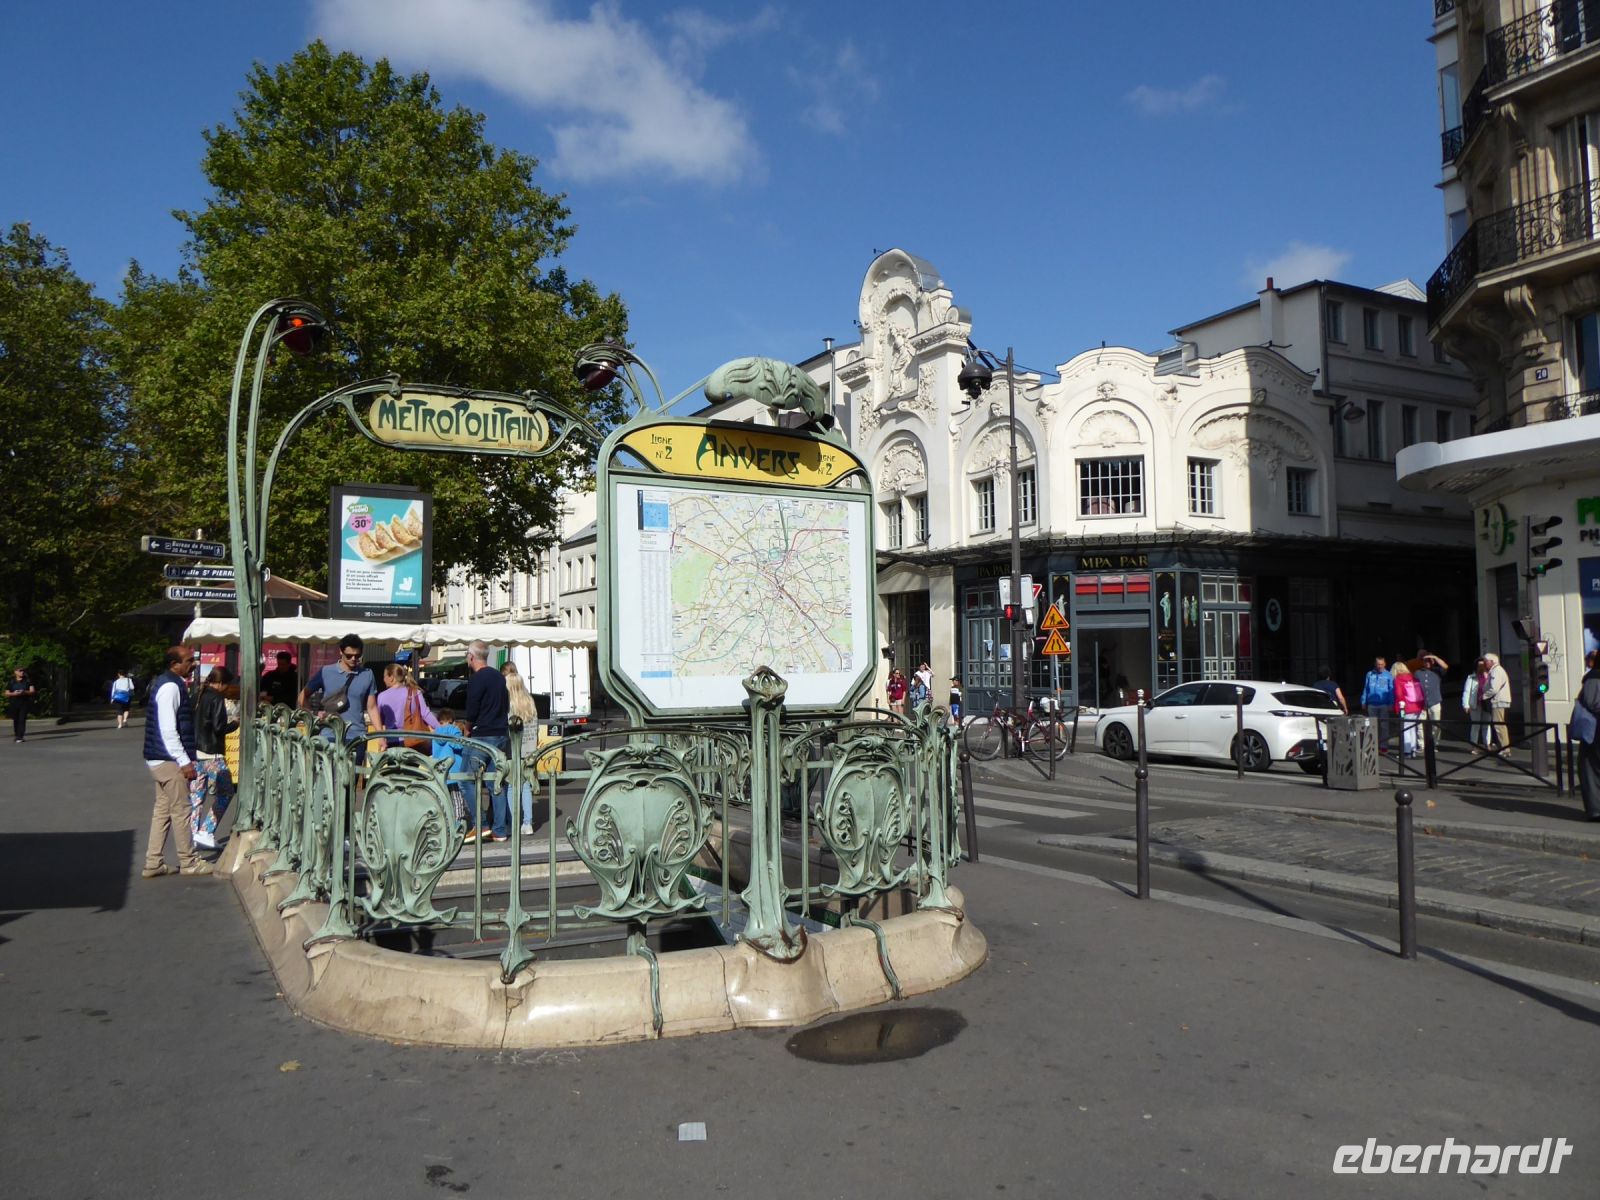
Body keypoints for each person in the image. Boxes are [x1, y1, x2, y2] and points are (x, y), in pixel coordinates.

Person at [142, 646, 211, 878]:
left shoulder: (167, 683)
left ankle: (154, 862)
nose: (193, 664)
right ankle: (188, 861)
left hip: (158, 757)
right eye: (189, 661)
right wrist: (184, 761)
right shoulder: (171, 687)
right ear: (175, 664)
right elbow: (168, 730)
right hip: (169, 759)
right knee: (181, 810)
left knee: (162, 811)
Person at [460, 640, 509, 843]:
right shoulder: (499, 677)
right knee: (495, 782)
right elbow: (505, 705)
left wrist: (467, 728)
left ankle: (480, 825)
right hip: (501, 733)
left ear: (471, 657)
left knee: (465, 779)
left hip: (482, 735)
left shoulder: (477, 679)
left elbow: (472, 710)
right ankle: (500, 830)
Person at [298, 635, 377, 753]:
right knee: (329, 766)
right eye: (349, 656)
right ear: (341, 651)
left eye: (357, 656)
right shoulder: (326, 671)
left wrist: (381, 735)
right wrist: (314, 714)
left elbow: (372, 707)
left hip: (356, 735)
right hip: (329, 734)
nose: (353, 659)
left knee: (355, 766)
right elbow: (302, 697)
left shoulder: (367, 674)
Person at [190, 665, 238, 850]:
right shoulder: (217, 698)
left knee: (196, 797)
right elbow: (219, 728)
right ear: (221, 683)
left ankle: (193, 835)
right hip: (212, 753)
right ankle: (206, 831)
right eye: (227, 685)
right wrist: (234, 724)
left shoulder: (197, 695)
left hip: (195, 753)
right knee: (226, 792)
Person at [502, 660, 539, 836]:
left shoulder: (509, 704)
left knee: (511, 786)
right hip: (529, 749)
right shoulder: (530, 701)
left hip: (513, 750)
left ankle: (514, 821)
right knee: (525, 786)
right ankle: (528, 823)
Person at [368, 662, 438, 750]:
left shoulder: (382, 696)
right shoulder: (415, 692)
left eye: (384, 676)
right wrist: (441, 728)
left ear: (391, 678)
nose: (383, 679)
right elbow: (426, 714)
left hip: (392, 742)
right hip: (413, 741)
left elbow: (379, 720)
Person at [1572, 650, 1600, 821]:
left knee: (1590, 768)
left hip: (1595, 731)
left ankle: (1596, 809)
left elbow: (1592, 702)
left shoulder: (1593, 677)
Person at [432, 707, 467, 827]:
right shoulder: (454, 730)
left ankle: (446, 822)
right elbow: (459, 745)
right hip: (454, 770)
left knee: (444, 798)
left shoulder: (436, 733)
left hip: (441, 770)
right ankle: (458, 822)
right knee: (457, 797)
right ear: (452, 721)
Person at [1480, 652, 1512, 755]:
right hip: (1499, 700)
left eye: (1486, 661)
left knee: (1499, 725)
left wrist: (1484, 696)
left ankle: (1505, 749)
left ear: (1492, 661)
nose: (1485, 663)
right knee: (1500, 724)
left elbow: (1494, 688)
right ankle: (1504, 747)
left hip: (1499, 700)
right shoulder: (1495, 670)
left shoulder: (1496, 671)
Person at [1359, 657, 1395, 749]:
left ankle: (1383, 746)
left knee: (1384, 726)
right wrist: (1363, 701)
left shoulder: (1388, 675)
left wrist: (1391, 704)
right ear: (1375, 664)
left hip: (1384, 704)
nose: (1380, 666)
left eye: (1381, 664)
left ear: (1385, 664)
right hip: (1371, 704)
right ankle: (1372, 745)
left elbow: (1391, 690)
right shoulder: (1369, 674)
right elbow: (1366, 688)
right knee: (1372, 726)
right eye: (1378, 664)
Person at [1414, 653, 1448, 745]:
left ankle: (1434, 744)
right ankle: (1421, 745)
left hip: (1435, 701)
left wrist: (1435, 657)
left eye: (1429, 661)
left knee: (1436, 725)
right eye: (1425, 661)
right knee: (1420, 725)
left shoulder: (1437, 671)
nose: (1427, 663)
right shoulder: (1418, 673)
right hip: (1421, 703)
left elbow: (1445, 666)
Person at [1392, 662, 1425, 757]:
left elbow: (1399, 694)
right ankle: (1413, 750)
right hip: (1417, 706)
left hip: (1406, 707)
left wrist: (1400, 707)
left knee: (1405, 728)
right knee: (1412, 728)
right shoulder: (1413, 677)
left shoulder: (1398, 679)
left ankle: (1407, 752)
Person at [7, 667, 37, 743]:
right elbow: (7, 693)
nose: (22, 672)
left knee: (22, 719)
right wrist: (14, 693)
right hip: (14, 703)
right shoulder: (11, 681)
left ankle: (20, 736)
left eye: (23, 671)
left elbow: (32, 691)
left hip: (24, 703)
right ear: (15, 672)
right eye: (20, 671)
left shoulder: (27, 681)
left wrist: (24, 692)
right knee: (16, 719)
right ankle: (16, 735)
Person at [1463, 661, 1487, 750]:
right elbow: (1467, 691)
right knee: (1476, 726)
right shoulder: (1471, 677)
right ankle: (1474, 745)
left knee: (1486, 725)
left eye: (1483, 665)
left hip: (1486, 704)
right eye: (1479, 665)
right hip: (1475, 704)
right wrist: (1465, 705)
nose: (1481, 667)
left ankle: (1487, 744)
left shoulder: (1488, 676)